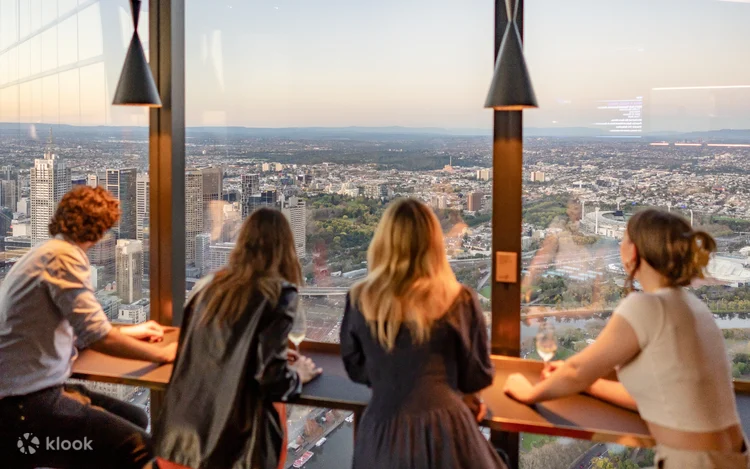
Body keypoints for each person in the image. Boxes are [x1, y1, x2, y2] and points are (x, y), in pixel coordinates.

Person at [505, 209, 748, 469]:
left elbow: (576, 371)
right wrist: (590, 385)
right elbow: (656, 398)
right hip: (732, 457)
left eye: (623, 238)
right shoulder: (694, 308)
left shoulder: (646, 306)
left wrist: (528, 393)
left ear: (633, 252)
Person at [0, 186, 177, 469]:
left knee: (136, 418)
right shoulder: (63, 258)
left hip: (25, 393)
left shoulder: (45, 252)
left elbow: (77, 330)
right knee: (141, 448)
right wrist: (163, 355)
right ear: (99, 227)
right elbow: (96, 336)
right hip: (27, 404)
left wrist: (129, 332)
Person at [340, 198, 507, 469]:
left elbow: (356, 369)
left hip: (382, 433)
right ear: (435, 244)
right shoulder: (459, 299)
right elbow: (477, 375)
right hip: (447, 434)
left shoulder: (360, 300)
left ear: (383, 242)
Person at [153, 208, 322, 469]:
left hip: (175, 443)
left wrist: (259, 354)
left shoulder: (208, 286)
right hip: (231, 453)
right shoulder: (279, 294)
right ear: (286, 248)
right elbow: (272, 381)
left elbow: (201, 348)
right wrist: (298, 374)